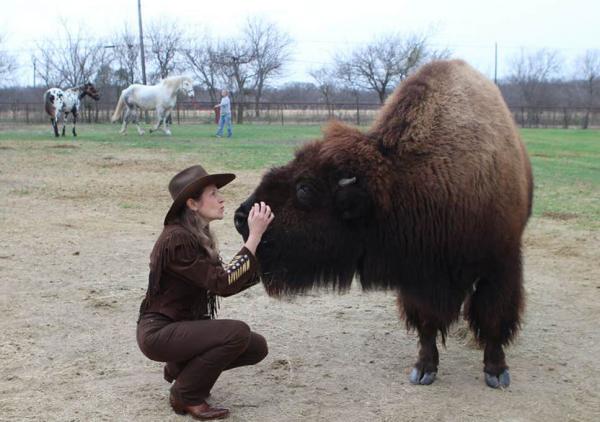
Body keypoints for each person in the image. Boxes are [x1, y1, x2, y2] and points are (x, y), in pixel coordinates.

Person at [136, 164, 274, 420]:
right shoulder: (177, 239)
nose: (221, 198)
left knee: (256, 347)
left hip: (180, 328)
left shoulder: (196, 236)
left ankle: (181, 367)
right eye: (212, 194)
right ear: (192, 204)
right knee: (237, 332)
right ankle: (186, 395)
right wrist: (253, 236)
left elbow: (224, 282)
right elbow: (223, 283)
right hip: (159, 333)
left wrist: (265, 261)